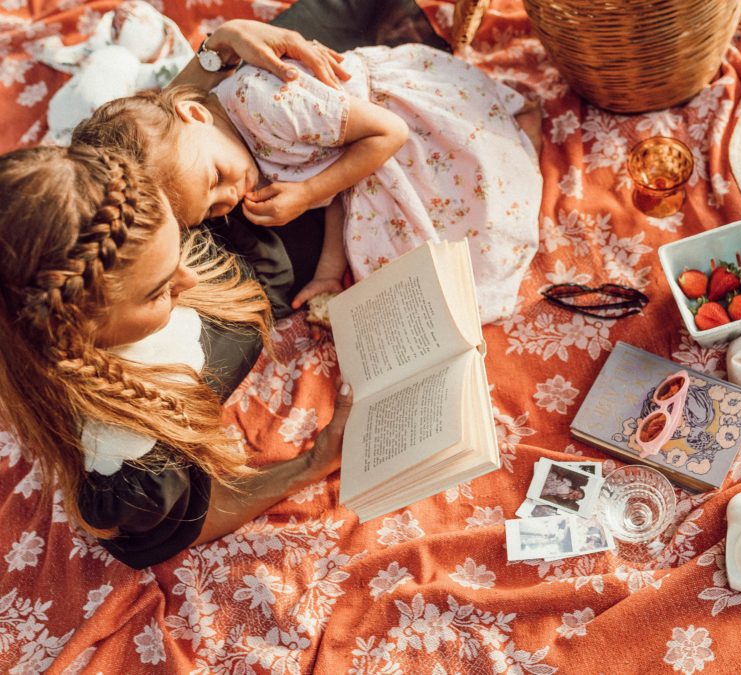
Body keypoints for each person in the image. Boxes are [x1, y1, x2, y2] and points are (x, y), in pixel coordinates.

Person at [0, 144, 353, 569]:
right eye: (158, 290)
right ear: (76, 331)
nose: (188, 277)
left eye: (179, 243)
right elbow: (188, 522)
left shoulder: (107, 218)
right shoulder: (130, 464)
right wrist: (313, 463)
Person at [72, 42, 544, 324]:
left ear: (196, 114)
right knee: (406, 273)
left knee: (482, 199)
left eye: (216, 180)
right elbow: (336, 185)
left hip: (397, 122)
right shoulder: (226, 152)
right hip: (360, 156)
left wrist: (307, 194)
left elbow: (389, 134)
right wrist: (325, 274)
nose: (230, 197)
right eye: (214, 209)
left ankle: (523, 136)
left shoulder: (265, 102)